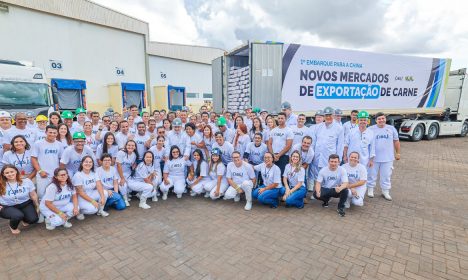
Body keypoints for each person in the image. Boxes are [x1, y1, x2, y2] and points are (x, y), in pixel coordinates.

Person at [31, 125, 63, 219]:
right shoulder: (38, 143)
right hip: (43, 175)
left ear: (57, 133)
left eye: (54, 133)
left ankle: (51, 213)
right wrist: (40, 171)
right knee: (41, 196)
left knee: (53, 195)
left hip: (55, 175)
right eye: (50, 132)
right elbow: (33, 158)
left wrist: (59, 173)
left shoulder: (59, 144)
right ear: (46, 132)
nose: (52, 134)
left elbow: (61, 159)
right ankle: (41, 214)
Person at [367, 112, 401, 200]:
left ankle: (385, 191)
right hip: (373, 158)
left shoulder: (391, 128)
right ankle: (370, 190)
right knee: (371, 174)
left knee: (386, 175)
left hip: (388, 158)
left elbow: (396, 141)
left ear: (385, 119)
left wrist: (398, 153)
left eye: (383, 118)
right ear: (376, 120)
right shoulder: (370, 129)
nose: (381, 120)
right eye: (379, 119)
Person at [0, 165, 39, 234]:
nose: (10, 174)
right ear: (3, 174)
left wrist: (37, 205)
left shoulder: (26, 181)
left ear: (16, 171)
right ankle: (13, 227)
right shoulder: (1, 184)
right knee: (17, 215)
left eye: (12, 171)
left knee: (33, 219)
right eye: (7, 173)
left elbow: (33, 194)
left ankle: (23, 218)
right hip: (7, 206)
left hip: (25, 203)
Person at [310, 107, 344, 184]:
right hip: (317, 156)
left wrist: (338, 159)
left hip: (329, 157)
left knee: (328, 176)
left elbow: (340, 145)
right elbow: (313, 143)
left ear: (334, 116)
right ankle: (318, 193)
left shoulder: (339, 128)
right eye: (326, 115)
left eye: (330, 115)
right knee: (317, 176)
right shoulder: (318, 127)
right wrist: (312, 155)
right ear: (324, 116)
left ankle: (326, 193)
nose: (328, 117)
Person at [115, 140, 138, 205]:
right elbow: (118, 166)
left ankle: (127, 194)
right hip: (118, 173)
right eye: (129, 145)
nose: (131, 147)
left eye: (133, 145)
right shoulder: (121, 153)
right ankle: (125, 199)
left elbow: (132, 165)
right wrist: (122, 178)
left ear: (135, 147)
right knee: (122, 184)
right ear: (126, 146)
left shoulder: (134, 155)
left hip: (127, 173)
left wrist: (134, 166)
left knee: (130, 184)